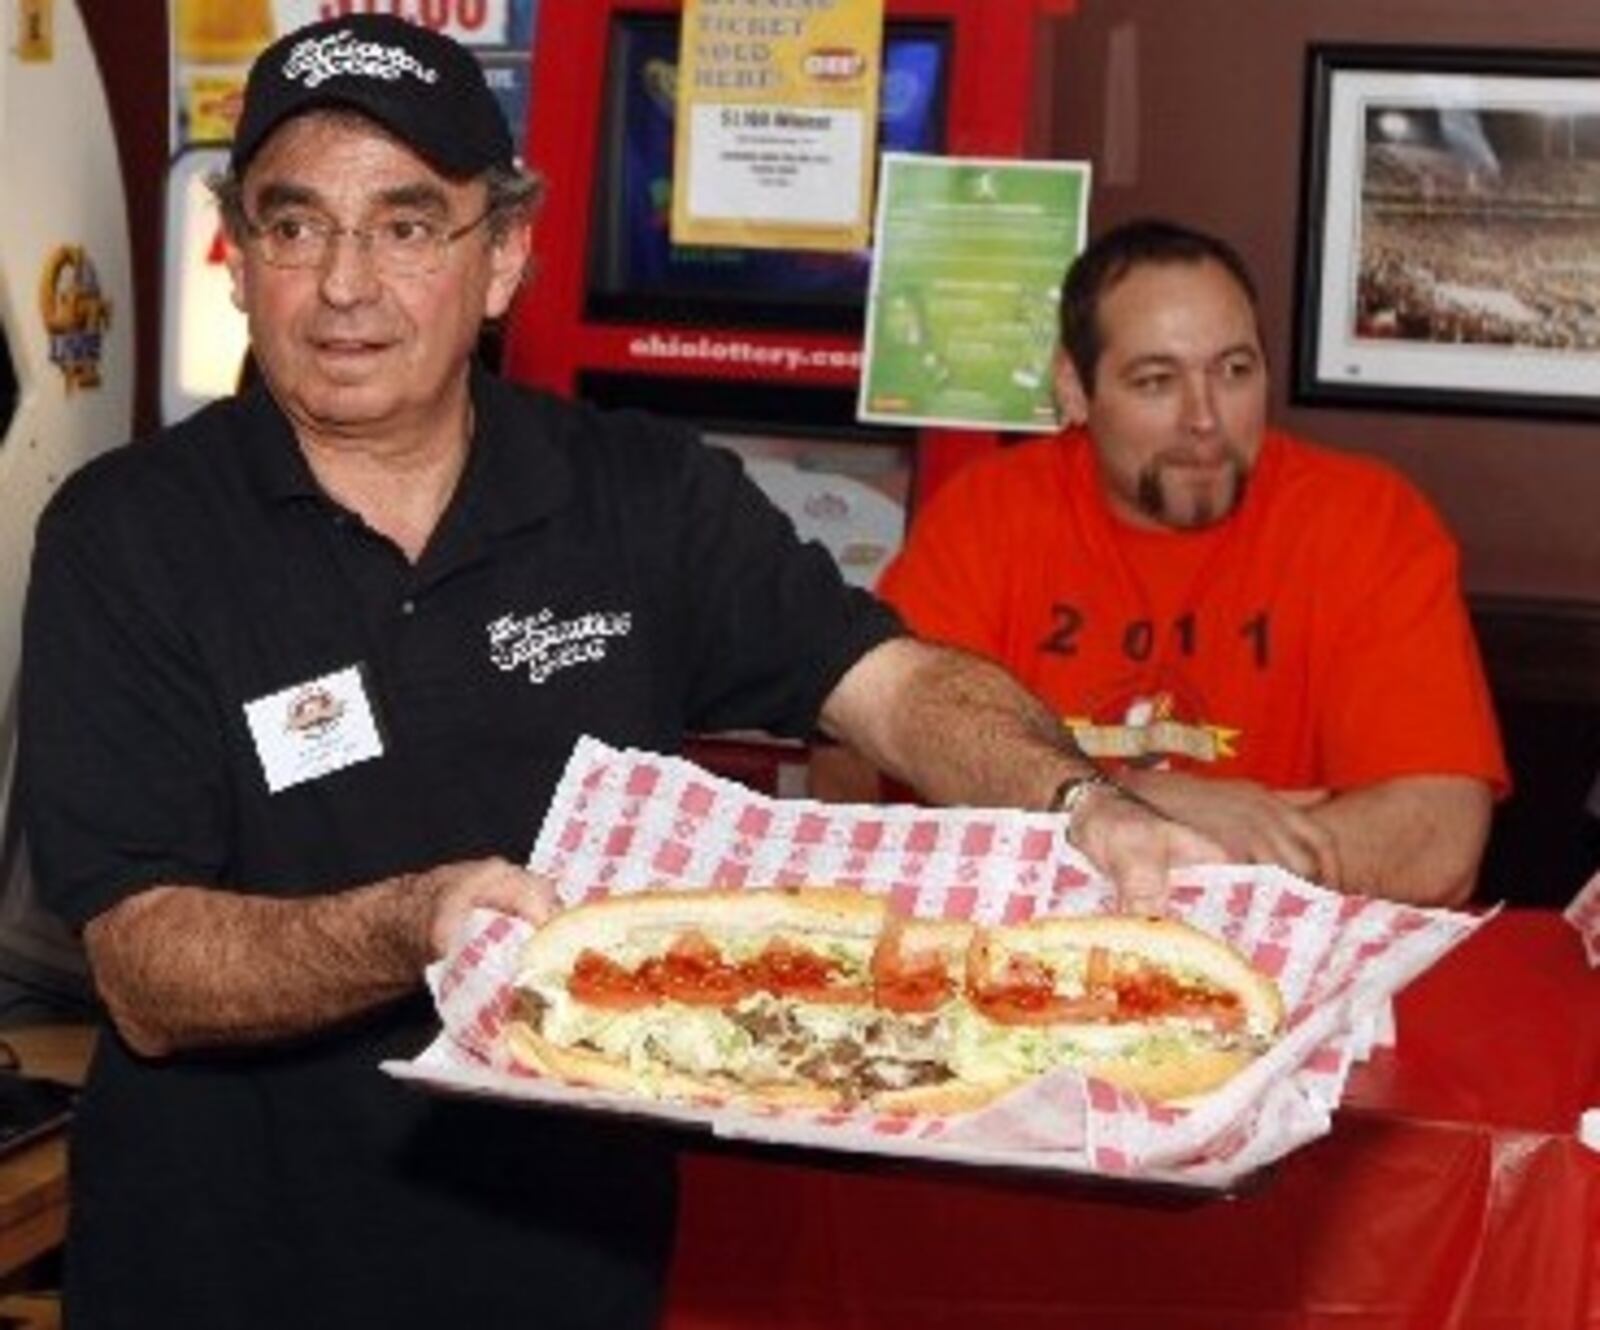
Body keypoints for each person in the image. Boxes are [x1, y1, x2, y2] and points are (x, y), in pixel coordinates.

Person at [15, 19, 1216, 1330]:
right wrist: (420, 922)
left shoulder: (640, 494)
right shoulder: (122, 533)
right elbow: (144, 971)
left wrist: (1076, 801)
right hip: (223, 1279)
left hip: (565, 1272)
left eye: (410, 225)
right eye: (296, 226)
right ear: (237, 259)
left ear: (504, 258)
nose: (346, 283)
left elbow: (891, 683)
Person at [828, 217, 1507, 907]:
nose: (1205, 418)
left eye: (1235, 371)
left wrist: (1172, 850)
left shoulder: (1369, 520)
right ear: (1073, 387)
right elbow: (854, 772)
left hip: (1285, 959)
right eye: (1156, 381)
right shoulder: (986, 514)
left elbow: (1438, 841)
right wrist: (1134, 804)